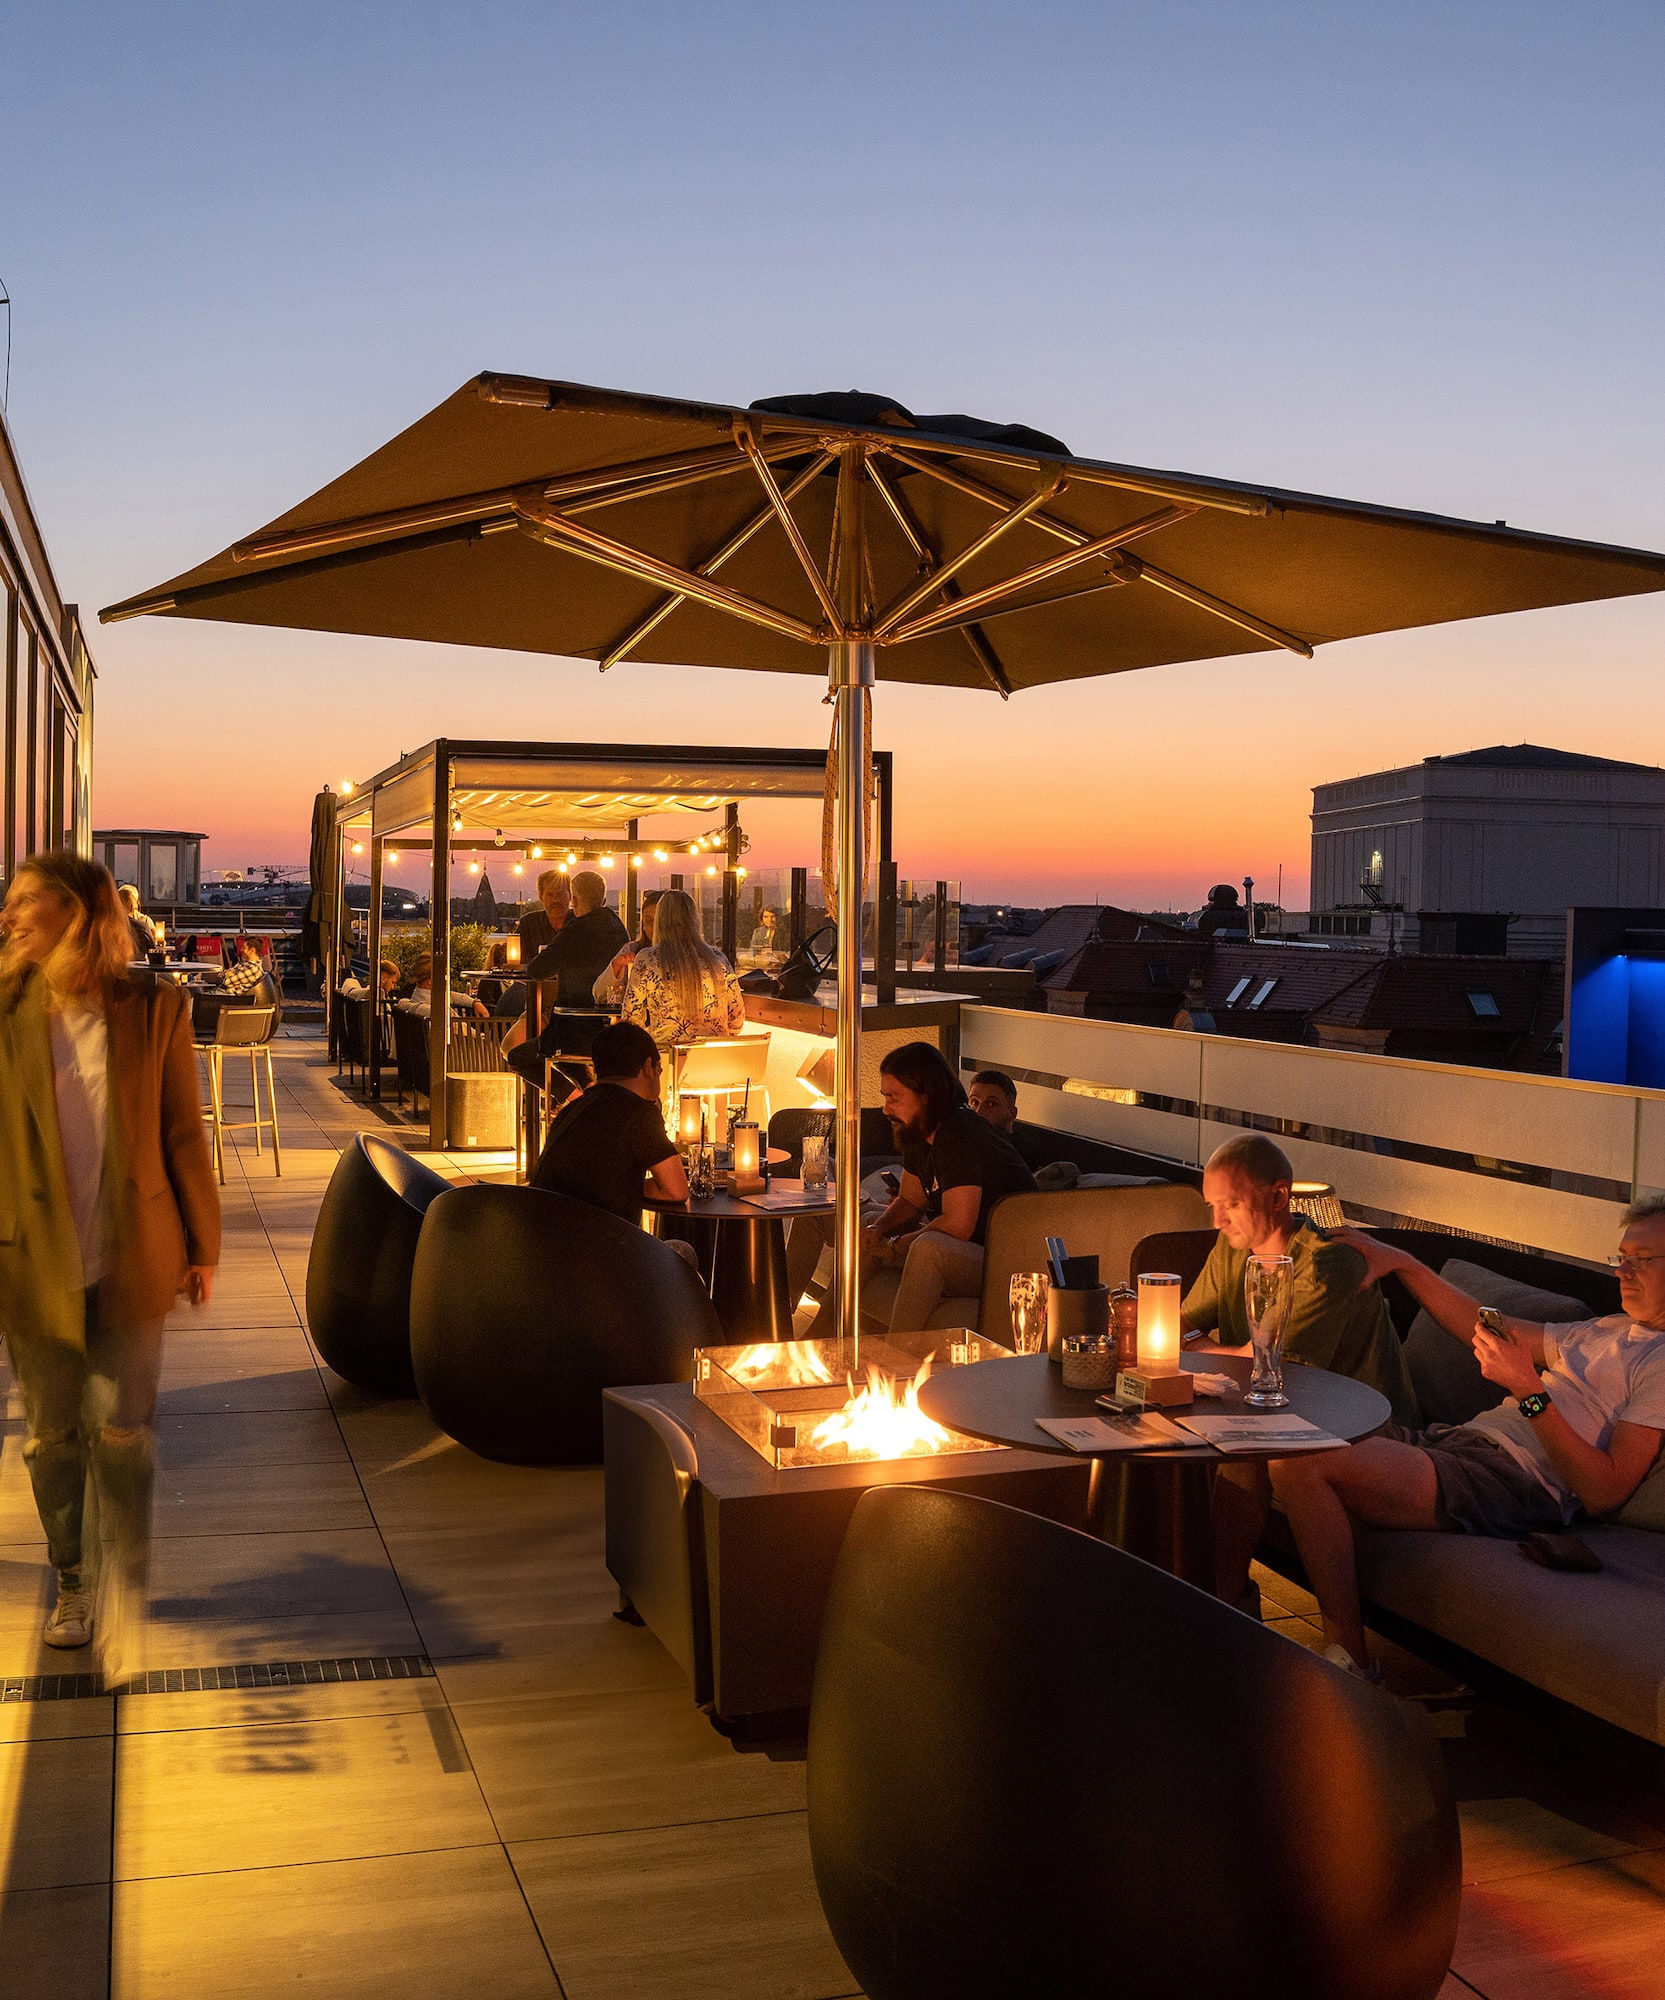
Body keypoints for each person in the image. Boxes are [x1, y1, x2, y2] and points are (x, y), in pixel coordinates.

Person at [1268, 1201, 1665, 1681]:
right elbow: (1486, 1326)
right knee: (1270, 1429)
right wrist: (1405, 1263)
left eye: (1642, 1259)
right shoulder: (1607, 1330)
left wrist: (1528, 1390)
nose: (1623, 1270)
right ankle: (1227, 1600)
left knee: (1301, 1462)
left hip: (1509, 1482)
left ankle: (1351, 1659)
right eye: (1620, 1257)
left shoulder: (1661, 1363)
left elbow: (1604, 1493)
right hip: (1454, 1443)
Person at [0, 851, 220, 1682]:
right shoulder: (4, 1007)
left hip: (132, 1250)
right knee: (53, 1438)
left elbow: (182, 1133)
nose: (11, 915)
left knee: (123, 1432)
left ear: (80, 913)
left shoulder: (155, 1008)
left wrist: (201, 1243)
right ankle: (74, 1579)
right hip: (31, 1256)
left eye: (27, 903)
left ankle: (123, 1578)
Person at [1180, 1133, 1418, 1614]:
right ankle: (1204, 1600)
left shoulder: (1327, 1264)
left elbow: (1267, 1364)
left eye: (1230, 1204)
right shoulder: (1233, 1250)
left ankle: (1222, 1607)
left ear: (1279, 1196)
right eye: (1212, 1205)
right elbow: (1176, 1326)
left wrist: (1200, 1348)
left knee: (1245, 1447)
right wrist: (1202, 1347)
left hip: (1374, 1429)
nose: (1217, 1220)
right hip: (1288, 1411)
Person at [853, 1041, 1035, 1335]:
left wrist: (900, 1244)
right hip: (971, 1249)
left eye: (894, 1098)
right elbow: (911, 1201)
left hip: (1011, 1262)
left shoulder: (959, 1132)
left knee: (928, 1249)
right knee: (868, 1222)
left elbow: (958, 1224)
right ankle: (828, 1335)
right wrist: (880, 1230)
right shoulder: (917, 1131)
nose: (886, 1108)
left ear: (925, 1096)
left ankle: (897, 1360)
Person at [529, 1021, 689, 1221]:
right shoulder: (639, 1112)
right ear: (649, 1066)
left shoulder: (571, 1110)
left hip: (542, 1236)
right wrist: (627, 1187)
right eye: (659, 1068)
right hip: (595, 1244)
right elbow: (676, 1191)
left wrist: (616, 1187)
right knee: (682, 1250)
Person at [620, 888, 744, 1048]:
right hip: (716, 1059)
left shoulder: (647, 959)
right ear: (694, 919)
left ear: (660, 920)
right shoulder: (718, 959)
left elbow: (630, 1020)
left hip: (667, 1059)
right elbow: (737, 1020)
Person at [593, 889, 662, 1005]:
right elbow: (598, 994)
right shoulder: (632, 951)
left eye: (658, 921)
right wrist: (616, 966)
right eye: (648, 920)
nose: (652, 926)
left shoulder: (685, 956)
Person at [397, 952, 487, 1021]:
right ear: (430, 981)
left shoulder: (409, 1004)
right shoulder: (441, 1012)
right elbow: (467, 1034)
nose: (447, 980)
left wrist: (475, 1002)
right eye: (444, 976)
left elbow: (452, 995)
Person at [517, 869, 571, 963]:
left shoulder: (581, 923)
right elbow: (516, 961)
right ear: (541, 897)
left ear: (570, 895)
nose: (556, 900)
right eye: (550, 895)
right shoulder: (528, 924)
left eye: (561, 894)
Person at [967, 1069, 1019, 1136]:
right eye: (975, 1102)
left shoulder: (1017, 1146)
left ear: (1012, 1113)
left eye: (991, 1104)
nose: (978, 1111)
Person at [117, 883, 159, 959]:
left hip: (115, 966)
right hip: (139, 966)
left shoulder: (108, 924)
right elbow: (153, 948)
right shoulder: (145, 923)